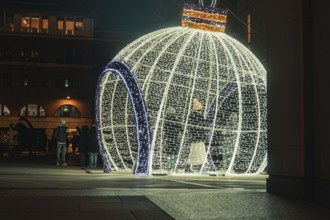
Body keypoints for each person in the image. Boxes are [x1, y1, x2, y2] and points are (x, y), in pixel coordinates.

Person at [186, 98, 207, 172]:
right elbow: (203, 127)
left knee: (193, 152)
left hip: (193, 138)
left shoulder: (191, 116)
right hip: (199, 138)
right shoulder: (199, 117)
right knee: (199, 152)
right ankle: (200, 167)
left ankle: (190, 167)